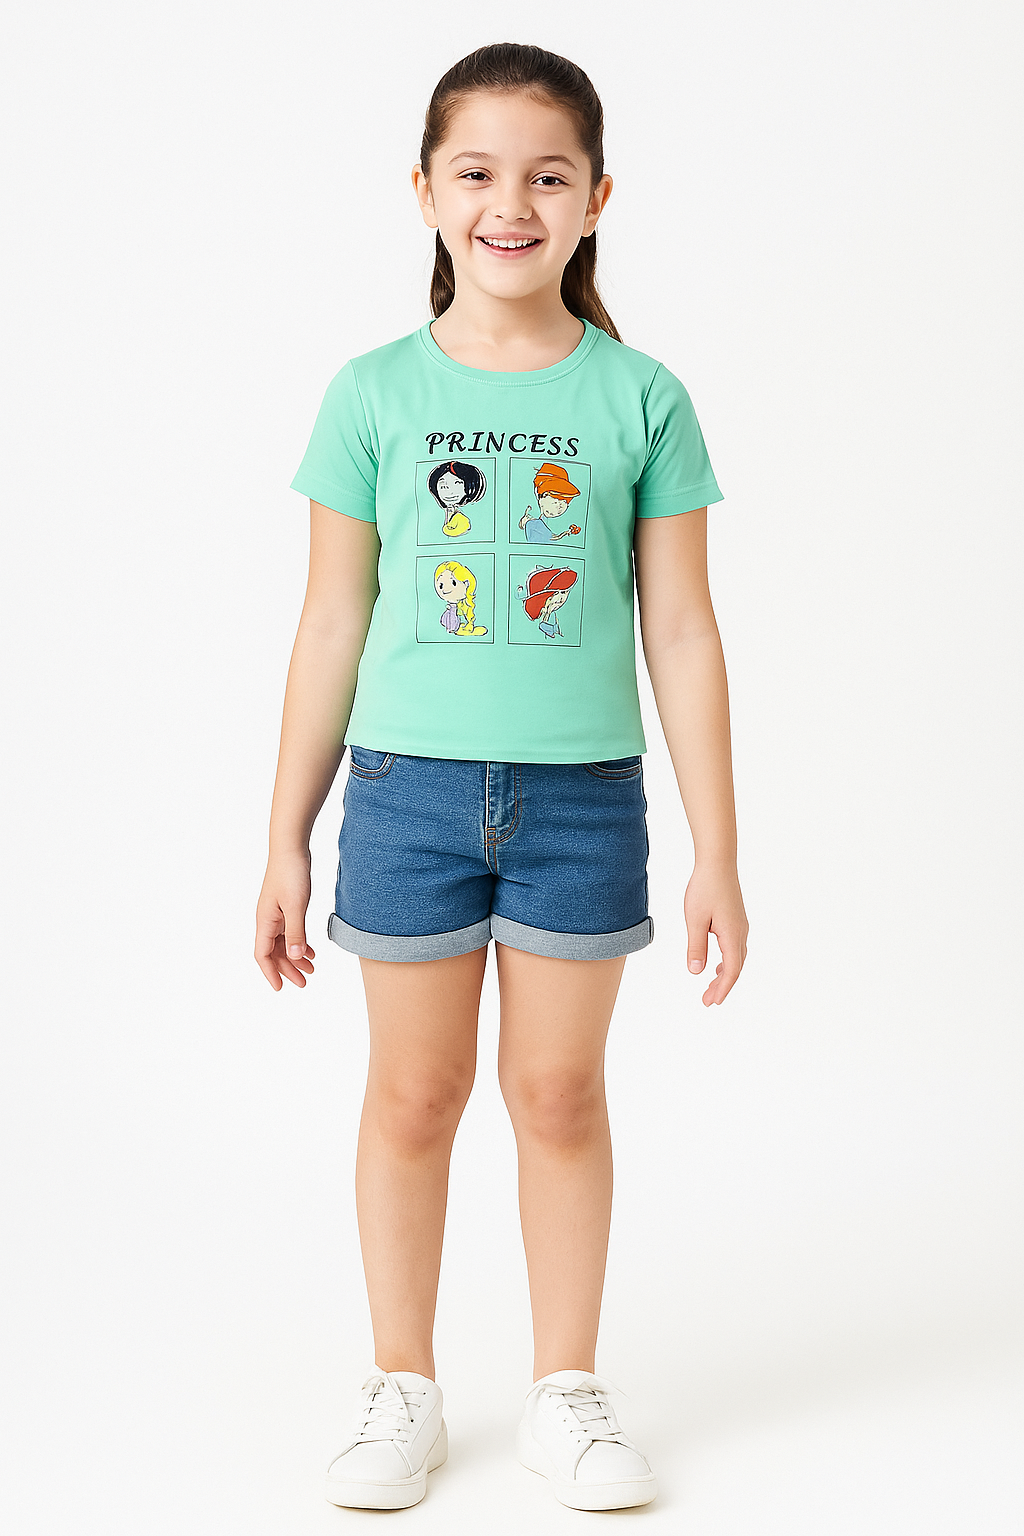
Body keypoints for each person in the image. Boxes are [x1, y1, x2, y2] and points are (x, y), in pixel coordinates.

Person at [255, 41, 749, 1515]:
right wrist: (285, 836)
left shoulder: (642, 398)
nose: (510, 203)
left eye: (546, 175)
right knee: (414, 1095)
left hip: (582, 801)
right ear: (425, 191)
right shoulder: (372, 393)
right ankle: (401, 1385)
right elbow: (329, 622)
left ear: (597, 198)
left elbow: (682, 627)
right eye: (476, 172)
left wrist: (718, 850)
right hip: (404, 795)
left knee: (558, 1092)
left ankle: (565, 1388)